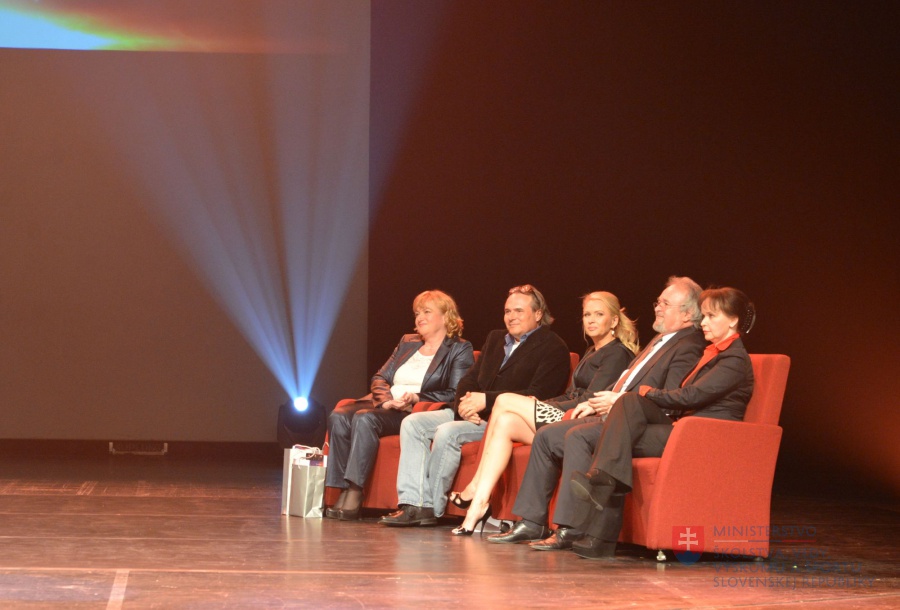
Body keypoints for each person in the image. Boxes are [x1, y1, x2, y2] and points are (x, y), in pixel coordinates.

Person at [487, 276, 706, 548]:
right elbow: (624, 382)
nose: (657, 308)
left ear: (687, 314)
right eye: (657, 302)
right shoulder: (659, 341)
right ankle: (532, 522)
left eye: (665, 303)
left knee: (577, 436)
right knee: (546, 437)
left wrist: (618, 401)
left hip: (640, 423)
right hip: (615, 414)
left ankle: (571, 527)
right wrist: (596, 402)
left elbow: (669, 399)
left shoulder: (687, 345)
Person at [569, 287, 756, 559]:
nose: (703, 322)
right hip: (685, 428)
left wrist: (648, 391)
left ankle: (601, 525)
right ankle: (603, 489)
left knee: (617, 440)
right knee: (625, 415)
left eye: (711, 316)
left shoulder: (734, 360)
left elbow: (691, 396)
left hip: (706, 435)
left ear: (733, 320)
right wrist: (639, 396)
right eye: (703, 315)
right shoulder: (713, 353)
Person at [379, 285, 571, 527]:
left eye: (519, 311)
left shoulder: (553, 347)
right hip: (471, 413)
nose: (511, 317)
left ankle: (433, 509)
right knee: (412, 423)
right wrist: (464, 405)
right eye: (507, 311)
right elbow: (469, 379)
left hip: (500, 421)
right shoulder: (496, 338)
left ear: (538, 314)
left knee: (447, 432)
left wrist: (485, 400)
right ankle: (415, 503)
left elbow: (539, 396)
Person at [449, 292, 638, 535]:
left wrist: (548, 407)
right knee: (506, 421)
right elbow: (570, 394)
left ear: (614, 320)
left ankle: (475, 486)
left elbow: (590, 401)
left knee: (505, 400)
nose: (591, 320)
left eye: (598, 314)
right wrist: (541, 403)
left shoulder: (616, 353)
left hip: (580, 422)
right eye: (587, 315)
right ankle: (479, 503)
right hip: (564, 416)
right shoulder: (592, 351)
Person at [324, 290, 474, 520]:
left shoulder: (459, 349)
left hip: (415, 411)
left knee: (365, 418)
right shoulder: (407, 343)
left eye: (426, 312)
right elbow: (380, 377)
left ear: (446, 317)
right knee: (339, 416)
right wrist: (385, 401)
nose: (419, 318)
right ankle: (339, 489)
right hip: (388, 404)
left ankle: (355, 490)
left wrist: (416, 398)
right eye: (417, 313)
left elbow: (455, 393)